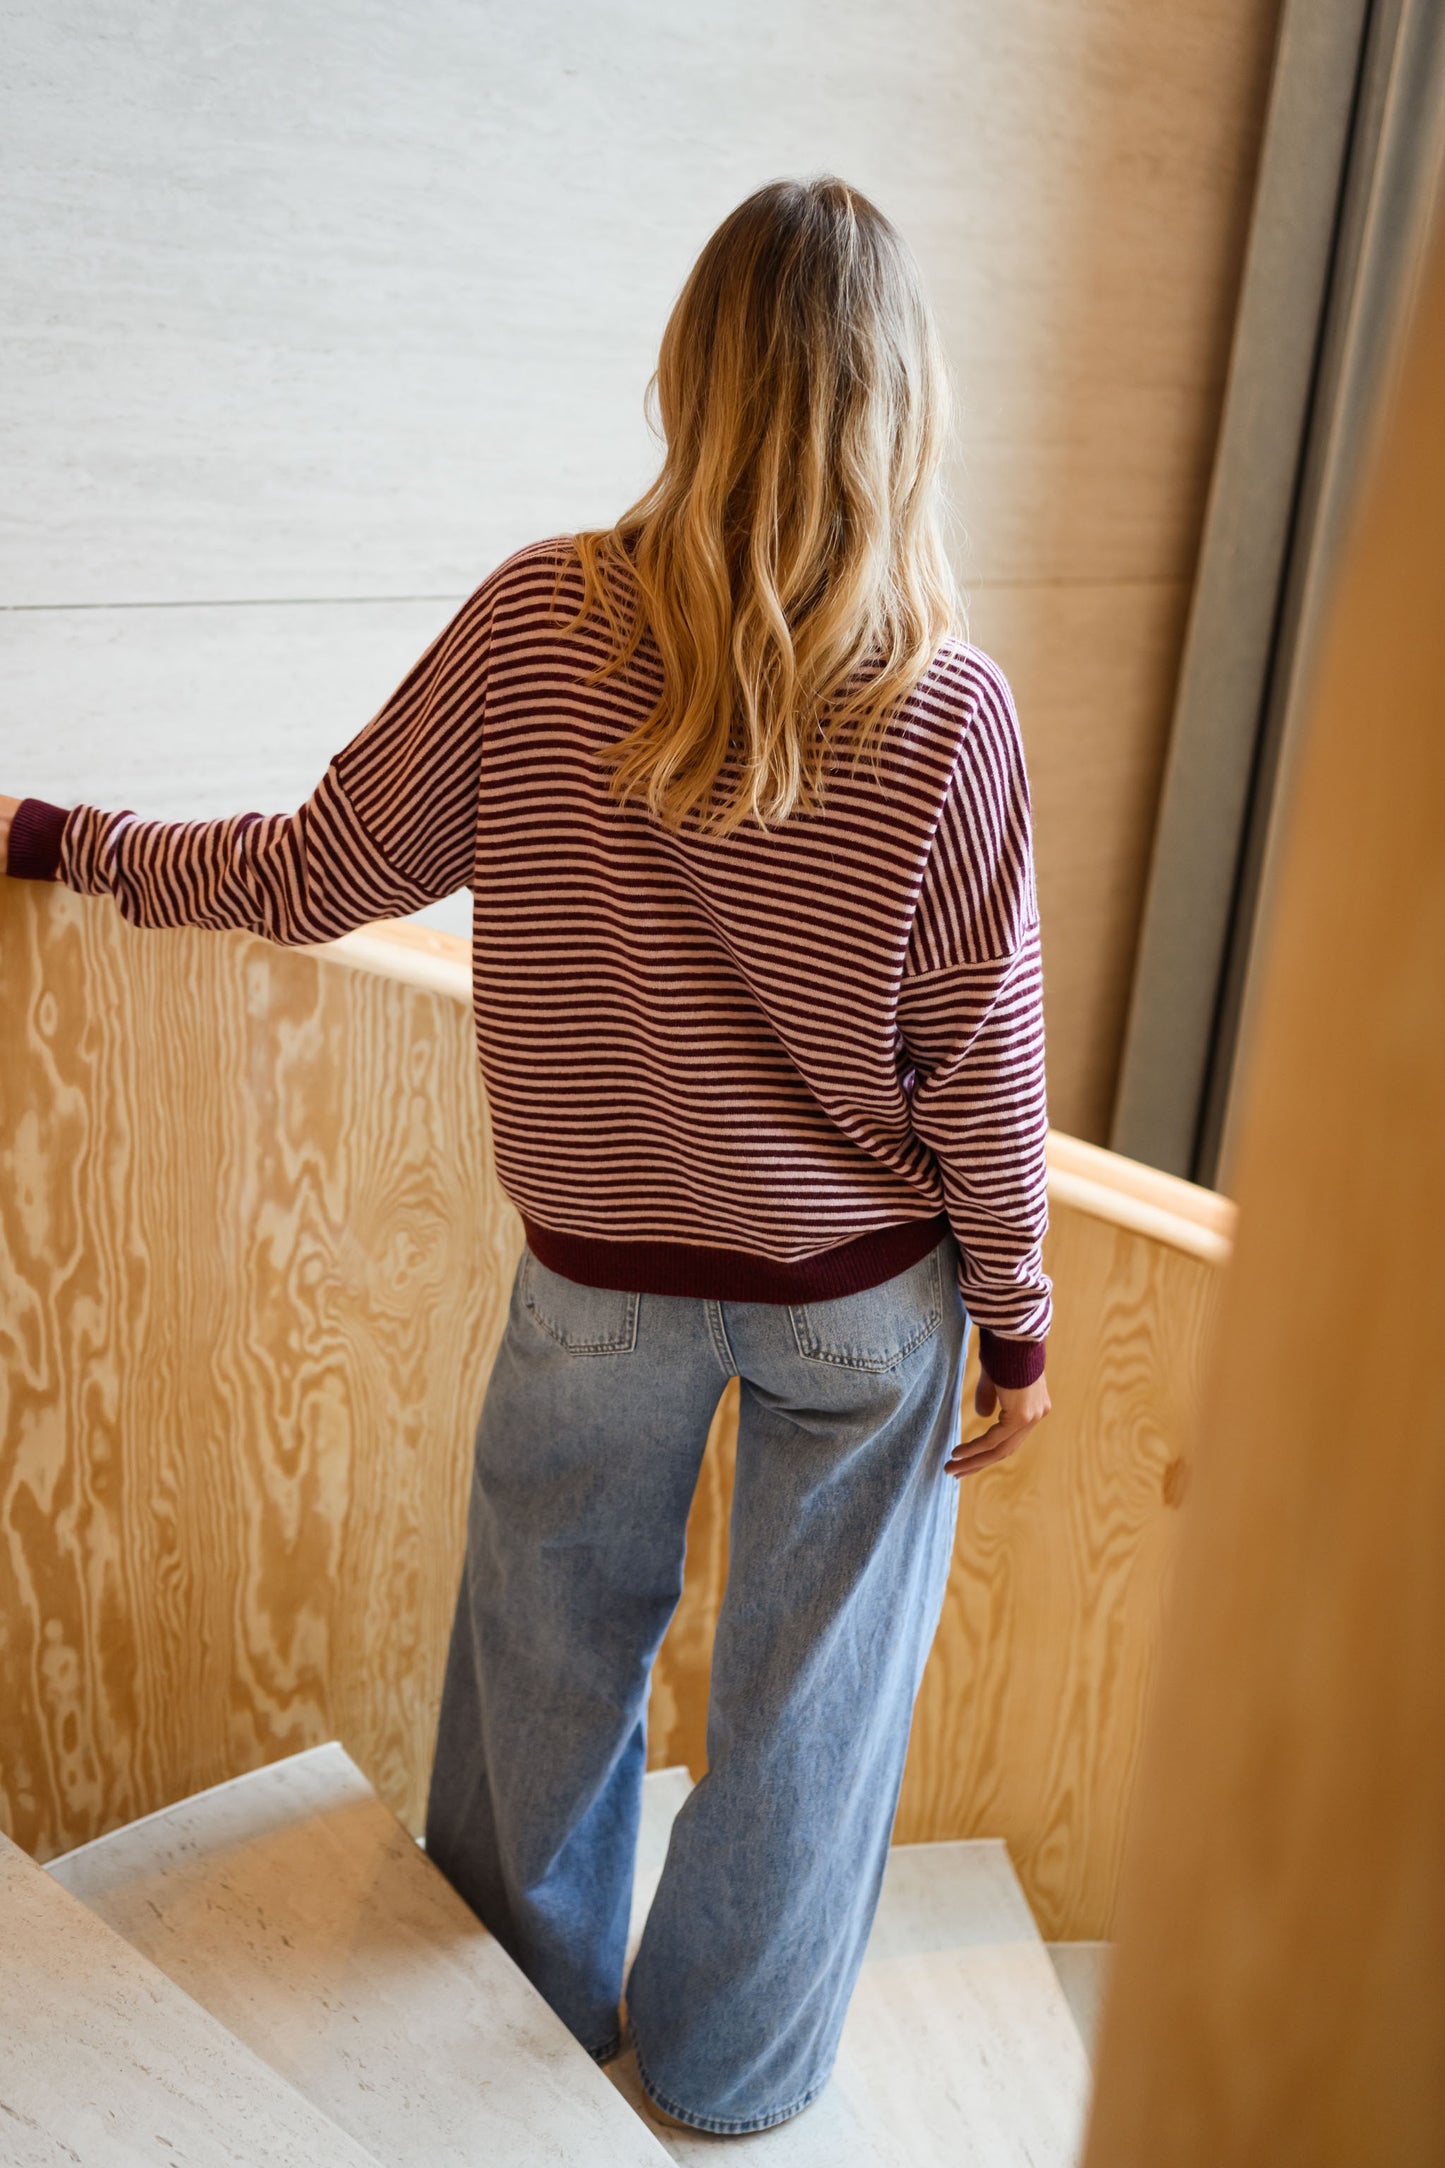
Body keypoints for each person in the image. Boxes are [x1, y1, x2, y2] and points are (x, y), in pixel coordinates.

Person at [0, 174, 1052, 2138]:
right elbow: (980, 1073)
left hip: (598, 1276)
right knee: (808, 1731)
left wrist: (71, 836)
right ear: (903, 412)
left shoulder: (537, 622)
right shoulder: (951, 711)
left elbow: (314, 871)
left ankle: (494, 2070)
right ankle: (730, 2082)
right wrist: (1018, 1315)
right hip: (857, 1303)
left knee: (542, 1686)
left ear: (690, 372)